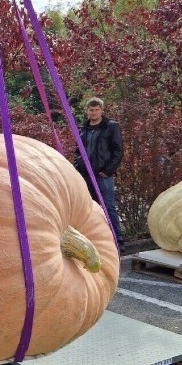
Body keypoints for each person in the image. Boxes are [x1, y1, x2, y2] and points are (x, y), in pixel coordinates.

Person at [74, 96, 124, 252]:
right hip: (86, 175)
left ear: (102, 110)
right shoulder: (84, 129)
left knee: (108, 207)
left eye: (96, 110)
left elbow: (118, 151)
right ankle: (96, 239)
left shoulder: (111, 127)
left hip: (103, 175)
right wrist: (78, 165)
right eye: (91, 110)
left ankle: (118, 240)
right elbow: (78, 151)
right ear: (87, 111)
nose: (94, 112)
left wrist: (107, 171)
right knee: (89, 208)